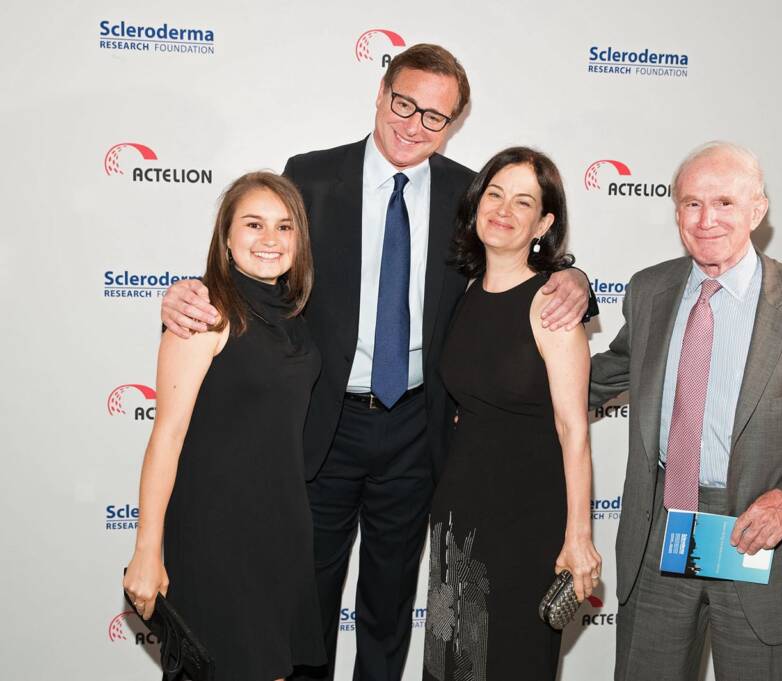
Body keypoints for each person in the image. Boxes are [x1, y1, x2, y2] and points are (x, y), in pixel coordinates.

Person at [158, 44, 595, 681]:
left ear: (453, 125)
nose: (414, 124)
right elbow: (258, 256)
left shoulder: (465, 194)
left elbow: (519, 257)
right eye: (404, 103)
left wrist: (576, 278)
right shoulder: (308, 175)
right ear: (380, 94)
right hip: (321, 427)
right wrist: (192, 290)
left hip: (419, 431)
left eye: (435, 117)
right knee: (303, 602)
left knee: (390, 608)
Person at [589, 141, 782, 681]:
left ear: (757, 209)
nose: (706, 220)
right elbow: (604, 375)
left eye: (724, 202)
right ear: (675, 210)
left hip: (761, 536)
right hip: (660, 527)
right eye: (691, 203)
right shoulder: (650, 290)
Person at [123, 172, 325, 681]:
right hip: (218, 531)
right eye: (253, 224)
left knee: (272, 668)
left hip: (281, 525)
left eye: (284, 227)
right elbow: (166, 435)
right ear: (227, 237)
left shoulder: (295, 313)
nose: (270, 240)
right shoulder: (205, 312)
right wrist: (147, 550)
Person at [422, 147, 601, 681]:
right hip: (459, 512)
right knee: (455, 661)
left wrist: (579, 536)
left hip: (527, 518)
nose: (503, 209)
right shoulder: (465, 291)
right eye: (495, 194)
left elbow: (574, 432)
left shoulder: (553, 306)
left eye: (523, 201)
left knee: (511, 662)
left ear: (544, 223)